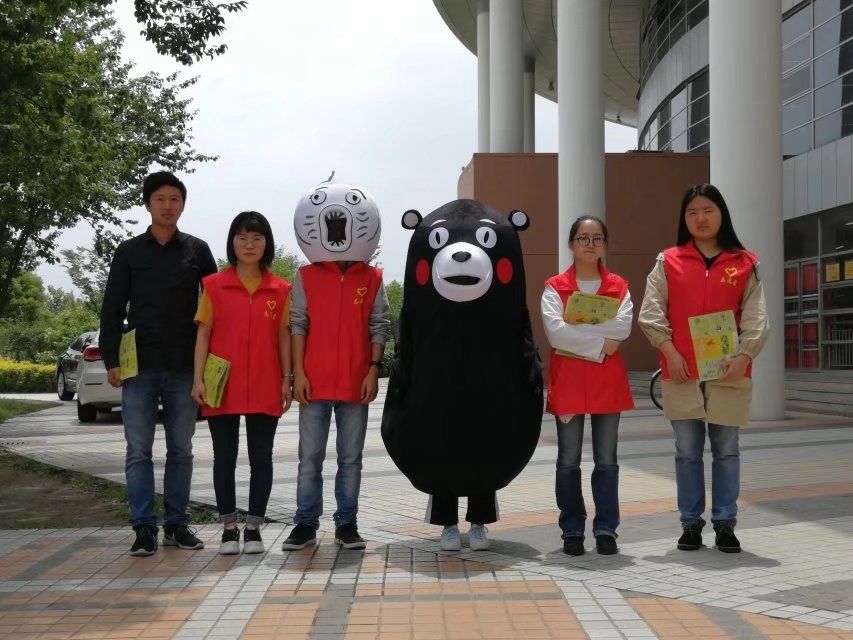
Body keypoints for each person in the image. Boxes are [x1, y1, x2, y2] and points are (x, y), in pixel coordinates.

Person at [638, 183, 769, 553]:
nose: (700, 218)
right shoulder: (669, 261)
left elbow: (757, 317)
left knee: (727, 449)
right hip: (682, 372)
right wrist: (669, 351)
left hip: (729, 371)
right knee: (687, 450)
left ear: (722, 214)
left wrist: (744, 355)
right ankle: (690, 524)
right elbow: (651, 314)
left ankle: (725, 523)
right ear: (684, 218)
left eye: (708, 210)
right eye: (692, 212)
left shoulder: (745, 263)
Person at [100, 171, 217, 556]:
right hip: (140, 367)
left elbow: (216, 308)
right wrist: (112, 360)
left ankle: (177, 525)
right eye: (161, 199)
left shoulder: (198, 251)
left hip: (185, 366)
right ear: (148, 204)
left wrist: (211, 364)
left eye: (175, 199)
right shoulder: (129, 252)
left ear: (183, 204)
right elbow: (113, 309)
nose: (168, 206)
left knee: (181, 450)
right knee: (138, 450)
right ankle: (144, 528)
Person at [281, 182, 391, 551]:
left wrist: (374, 370)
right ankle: (305, 523)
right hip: (313, 383)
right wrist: (298, 374)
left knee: (351, 459)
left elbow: (380, 325)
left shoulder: (372, 277)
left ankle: (347, 523)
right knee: (309, 458)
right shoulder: (306, 276)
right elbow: (298, 324)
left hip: (356, 382)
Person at [192, 211, 292, 555]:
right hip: (221, 385)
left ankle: (254, 529)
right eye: (242, 238)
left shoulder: (281, 289)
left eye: (257, 238)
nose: (250, 245)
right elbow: (203, 334)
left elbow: (283, 337)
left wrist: (287, 379)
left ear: (267, 244)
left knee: (261, 458)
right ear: (232, 242)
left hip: (266, 383)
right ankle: (229, 528)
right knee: (224, 457)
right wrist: (198, 380)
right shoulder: (214, 285)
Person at [541, 216, 634, 556]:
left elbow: (622, 327)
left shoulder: (619, 285)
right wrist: (599, 342)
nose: (590, 243)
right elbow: (555, 332)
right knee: (568, 460)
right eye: (583, 237)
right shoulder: (555, 286)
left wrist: (577, 335)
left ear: (605, 245)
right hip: (569, 383)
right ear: (571, 244)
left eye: (597, 238)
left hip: (606, 383)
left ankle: (607, 529)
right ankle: (572, 531)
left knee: (607, 460)